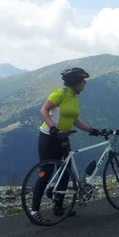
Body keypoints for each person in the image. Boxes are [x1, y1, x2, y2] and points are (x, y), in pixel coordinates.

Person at [30, 67, 104, 223]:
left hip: (63, 138)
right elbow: (44, 110)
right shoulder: (60, 93)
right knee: (46, 173)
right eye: (83, 81)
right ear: (75, 82)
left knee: (66, 172)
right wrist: (52, 128)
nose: (85, 84)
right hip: (49, 138)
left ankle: (58, 206)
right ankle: (34, 211)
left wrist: (92, 130)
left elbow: (74, 120)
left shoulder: (74, 97)